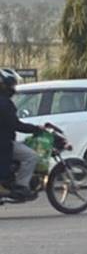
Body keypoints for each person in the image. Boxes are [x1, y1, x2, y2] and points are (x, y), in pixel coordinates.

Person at [0, 68, 42, 201]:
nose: (13, 88)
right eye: (12, 85)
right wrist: (36, 129)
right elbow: (16, 125)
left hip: (4, 142)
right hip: (4, 144)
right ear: (4, 85)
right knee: (31, 156)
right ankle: (21, 186)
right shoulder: (4, 103)